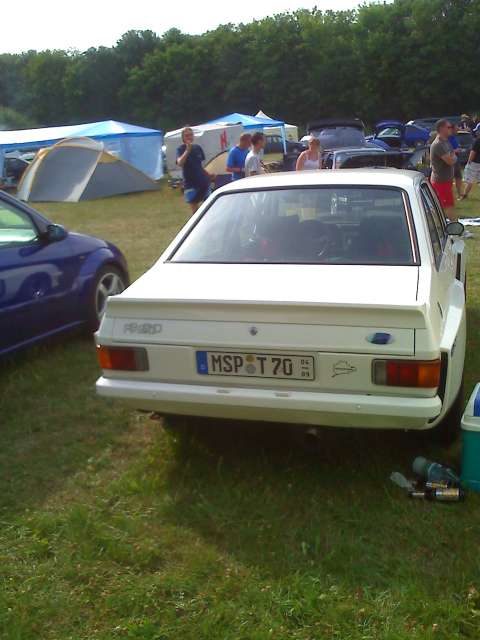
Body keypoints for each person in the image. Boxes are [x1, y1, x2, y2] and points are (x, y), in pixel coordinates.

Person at [176, 126, 212, 214]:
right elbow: (180, 163)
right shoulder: (180, 149)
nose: (189, 137)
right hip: (190, 184)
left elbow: (199, 165)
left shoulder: (198, 148)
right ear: (183, 138)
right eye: (187, 136)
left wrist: (208, 174)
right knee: (195, 213)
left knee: (209, 208)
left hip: (203, 182)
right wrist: (187, 151)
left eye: (191, 135)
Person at [430, 119, 457, 220]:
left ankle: (446, 225)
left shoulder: (446, 142)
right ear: (441, 129)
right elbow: (450, 160)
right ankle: (457, 230)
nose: (451, 129)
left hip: (447, 180)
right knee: (447, 206)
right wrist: (453, 157)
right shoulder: (438, 144)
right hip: (440, 181)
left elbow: (452, 155)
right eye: (448, 127)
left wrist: (452, 157)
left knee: (445, 205)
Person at [460, 134, 480, 200]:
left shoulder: (478, 140)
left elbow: (473, 152)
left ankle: (465, 195)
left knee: (469, 181)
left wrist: (469, 161)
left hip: (474, 163)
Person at [448, 123, 464, 199]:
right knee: (450, 178)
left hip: (457, 159)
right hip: (451, 161)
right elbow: (446, 151)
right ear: (452, 129)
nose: (457, 130)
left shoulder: (454, 137)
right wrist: (456, 150)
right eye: (456, 129)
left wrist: (459, 149)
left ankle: (459, 194)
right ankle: (449, 195)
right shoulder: (447, 138)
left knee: (458, 177)